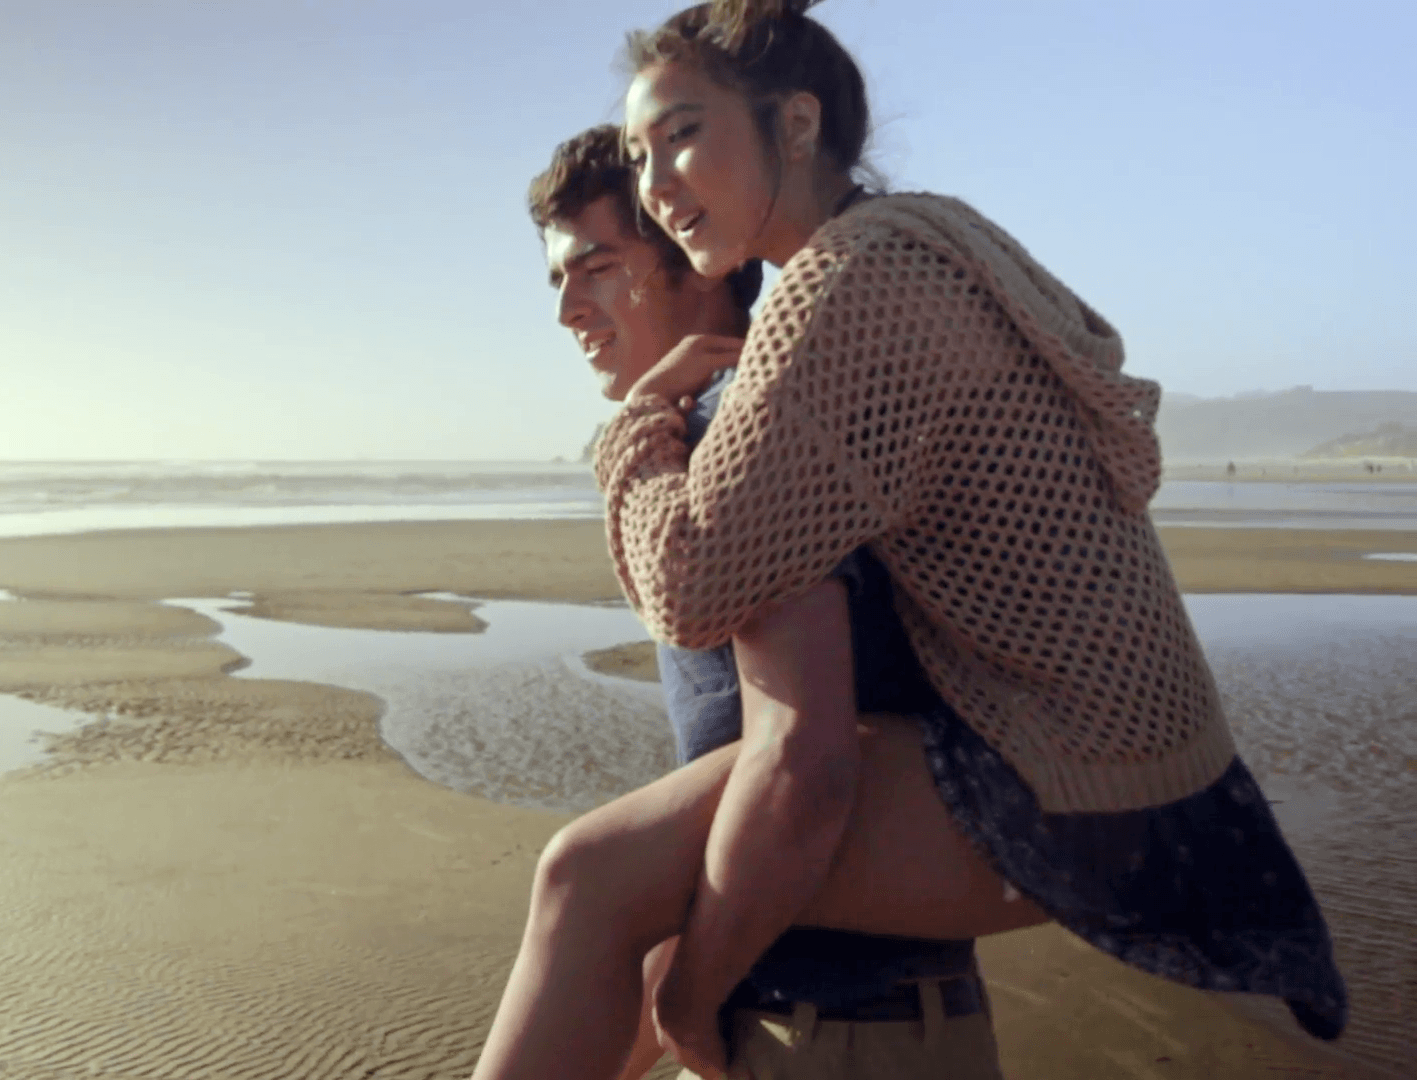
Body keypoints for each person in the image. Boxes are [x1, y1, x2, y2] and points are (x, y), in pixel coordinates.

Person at [596, 0, 1347, 1074]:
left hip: (1082, 776)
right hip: (1167, 767)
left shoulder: (845, 281)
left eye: (681, 132)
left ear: (795, 124)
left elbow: (689, 581)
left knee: (591, 881)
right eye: (636, 153)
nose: (656, 182)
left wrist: (633, 433)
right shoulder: (929, 239)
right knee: (618, 887)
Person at [523, 124, 1009, 1080]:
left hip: (839, 1041)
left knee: (576, 873)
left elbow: (802, 767)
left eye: (597, 268)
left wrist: (689, 999)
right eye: (556, 281)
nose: (568, 309)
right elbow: (712, 841)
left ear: (691, 256)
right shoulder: (730, 425)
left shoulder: (749, 437)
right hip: (833, 1025)